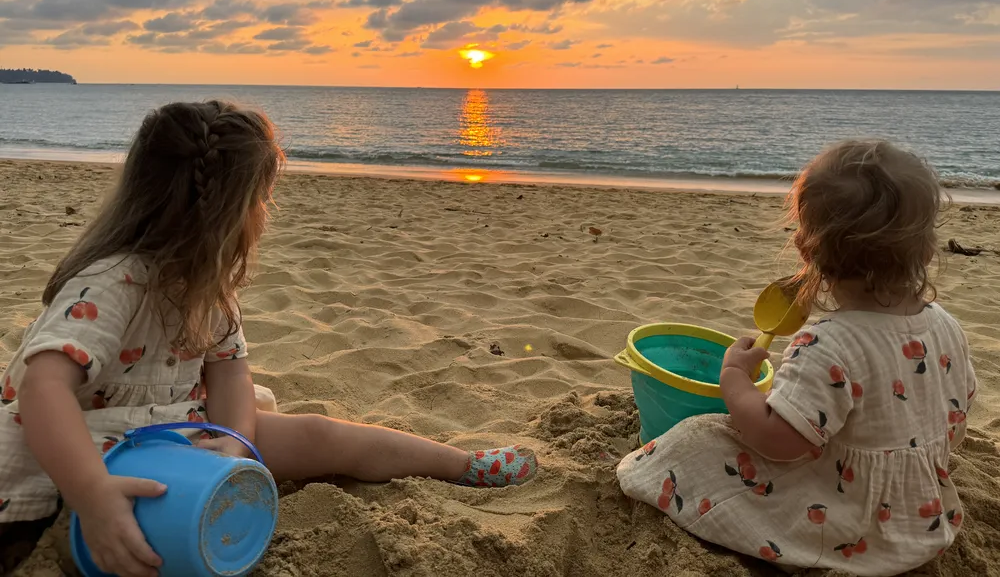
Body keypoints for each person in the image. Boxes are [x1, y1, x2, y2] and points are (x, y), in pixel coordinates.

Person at [0, 100, 536, 577]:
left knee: (322, 435)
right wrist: (90, 494)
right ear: (235, 214)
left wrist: (234, 445)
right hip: (71, 451)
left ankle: (463, 467)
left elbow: (231, 372)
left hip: (172, 429)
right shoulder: (112, 283)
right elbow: (42, 387)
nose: (265, 215)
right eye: (264, 200)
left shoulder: (209, 289)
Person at [616, 140, 976, 577]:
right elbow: (955, 418)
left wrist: (735, 381)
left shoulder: (830, 342)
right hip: (922, 518)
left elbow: (779, 442)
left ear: (808, 251)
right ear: (925, 250)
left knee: (696, 438)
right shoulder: (944, 324)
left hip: (851, 526)